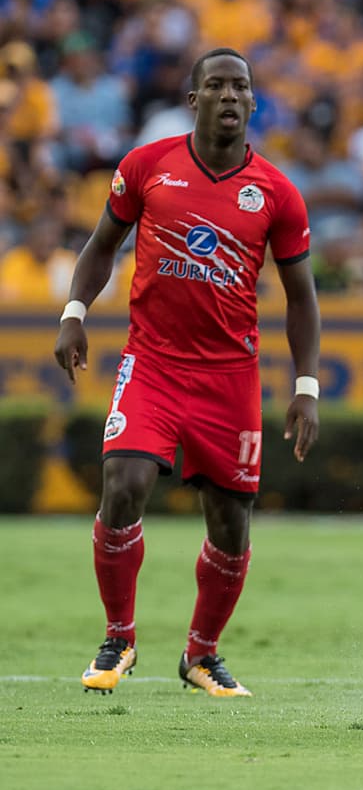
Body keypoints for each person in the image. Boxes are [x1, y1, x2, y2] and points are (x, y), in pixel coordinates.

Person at [54, 48, 321, 698]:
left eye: (241, 87)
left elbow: (303, 297)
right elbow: (100, 246)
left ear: (253, 103)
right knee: (123, 482)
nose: (230, 96)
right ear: (193, 97)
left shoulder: (278, 192)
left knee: (230, 521)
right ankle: (119, 638)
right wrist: (74, 311)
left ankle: (201, 654)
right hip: (152, 362)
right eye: (217, 86)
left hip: (230, 377)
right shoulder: (147, 166)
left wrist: (306, 386)